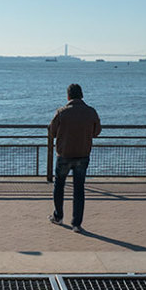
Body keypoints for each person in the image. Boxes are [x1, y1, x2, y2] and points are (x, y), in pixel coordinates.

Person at [47, 83, 101, 233]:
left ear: (68, 96)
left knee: (59, 186)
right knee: (79, 189)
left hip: (64, 154)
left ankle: (58, 216)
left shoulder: (62, 112)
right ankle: (76, 223)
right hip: (83, 155)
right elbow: (97, 131)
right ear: (82, 95)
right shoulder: (91, 112)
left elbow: (52, 131)